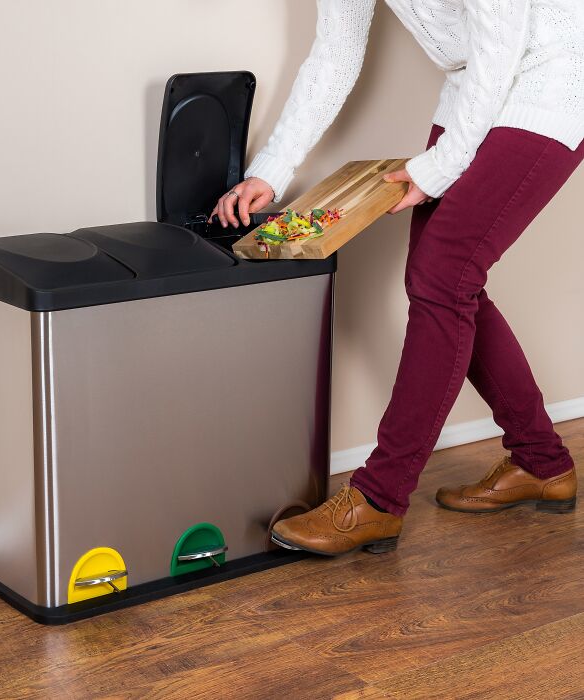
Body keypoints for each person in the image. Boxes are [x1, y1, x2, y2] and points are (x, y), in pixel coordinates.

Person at [210, 0, 584, 556]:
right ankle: (541, 461)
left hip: (551, 78)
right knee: (445, 279)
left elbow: (502, 43)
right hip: (473, 89)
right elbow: (336, 51)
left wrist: (436, 168)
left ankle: (379, 498)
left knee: (444, 276)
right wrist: (270, 168)